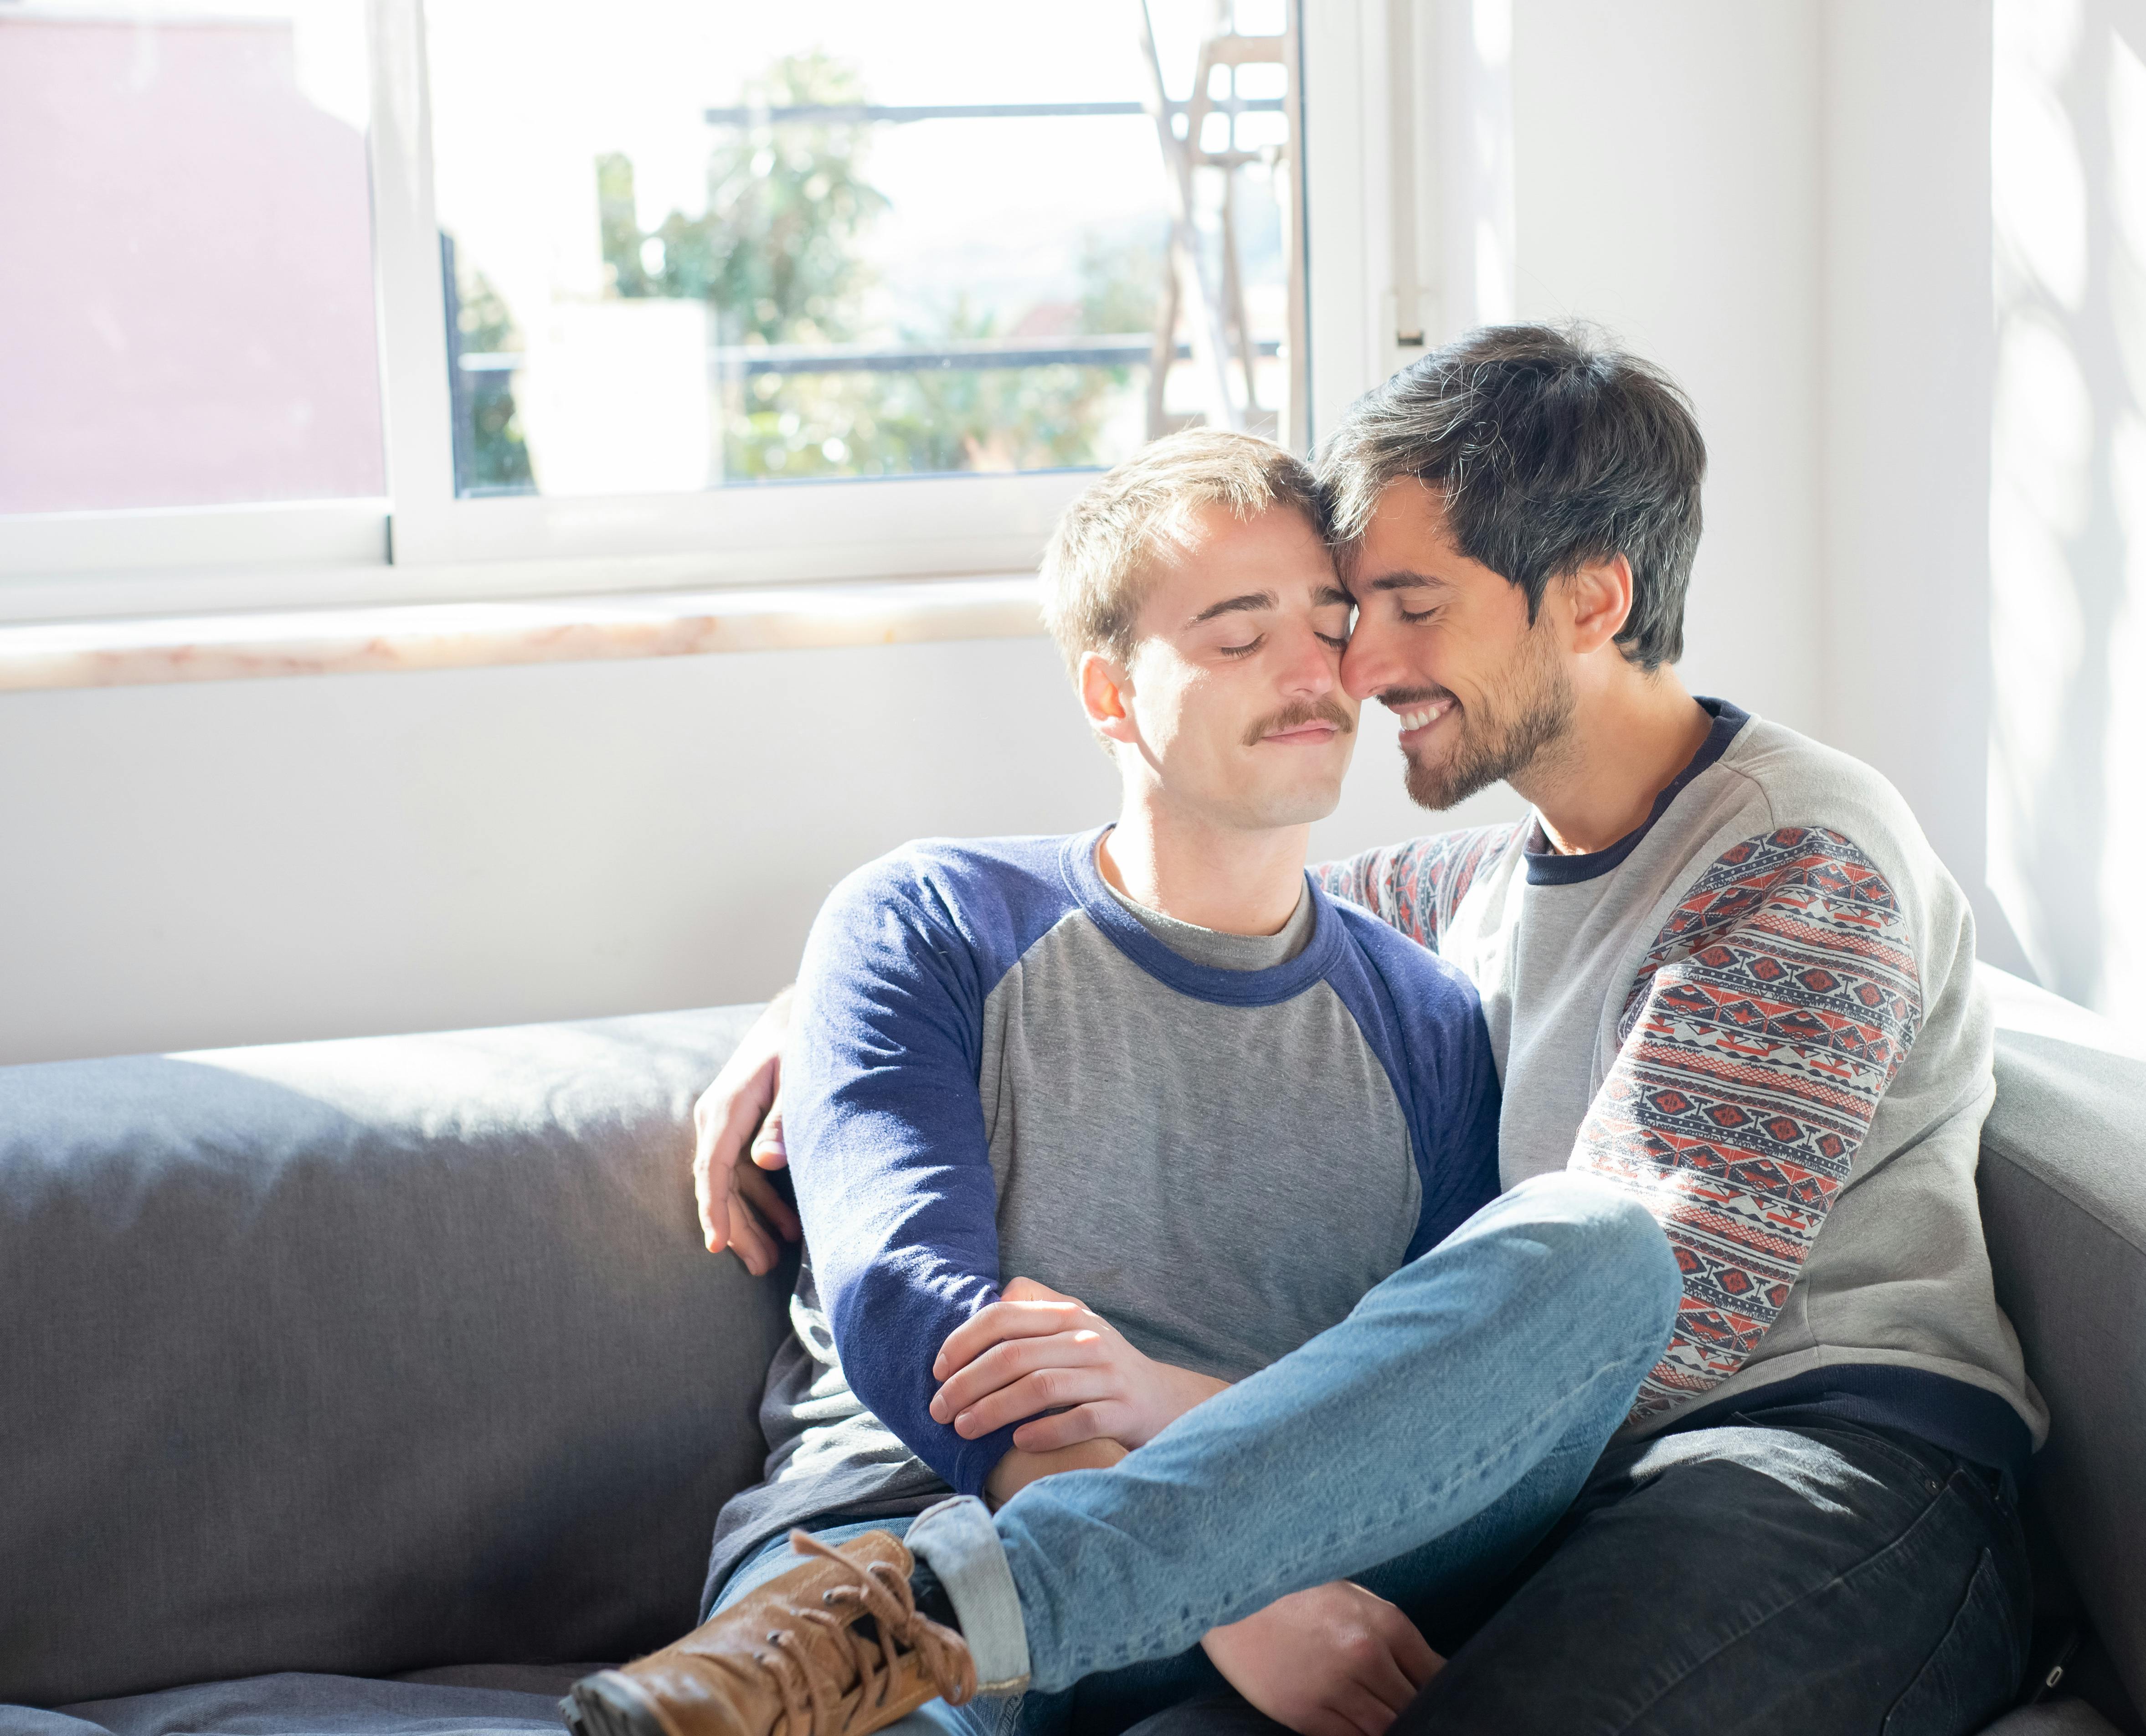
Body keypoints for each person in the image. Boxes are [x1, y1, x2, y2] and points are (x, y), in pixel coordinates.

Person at [693, 325, 2047, 1736]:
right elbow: (1194, 905)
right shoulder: (1472, 888)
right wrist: (820, 1002)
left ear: (1588, 600)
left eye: (1399, 607)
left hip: (1824, 1458)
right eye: (1340, 615)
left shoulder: (1790, 856)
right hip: (1551, 1492)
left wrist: (1170, 1406)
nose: (1358, 664)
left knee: (1599, 1249)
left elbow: (1652, 1340)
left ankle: (950, 1610)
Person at [566, 428, 1683, 1736]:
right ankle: (977, 1614)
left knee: (1602, 1246)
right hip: (881, 1579)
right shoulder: (925, 920)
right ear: (1109, 696)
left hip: (1276, 1572)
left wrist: (1244, 1569)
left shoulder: (1424, 1015)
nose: (1311, 671)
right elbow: (903, 1298)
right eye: (1234, 635)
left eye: (1331, 628)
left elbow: (1412, 1397)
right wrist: (1228, 1596)